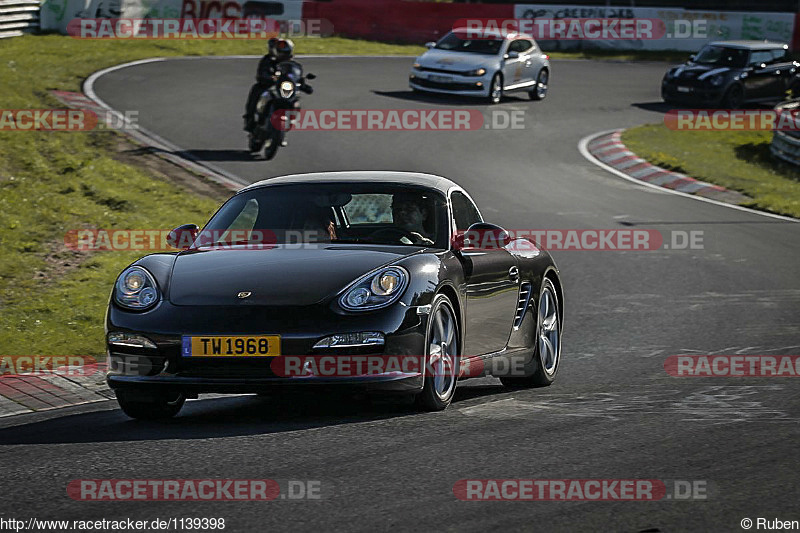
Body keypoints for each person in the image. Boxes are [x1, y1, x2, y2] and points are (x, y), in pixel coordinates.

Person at [243, 38, 295, 133]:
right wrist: (269, 78)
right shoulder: (268, 60)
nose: (283, 54)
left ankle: (290, 120)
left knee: (295, 99)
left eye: (286, 52)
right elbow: (261, 72)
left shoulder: (291, 62)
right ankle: (249, 118)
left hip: (283, 87)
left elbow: (295, 73)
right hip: (268, 85)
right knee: (256, 90)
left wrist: (301, 82)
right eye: (281, 51)